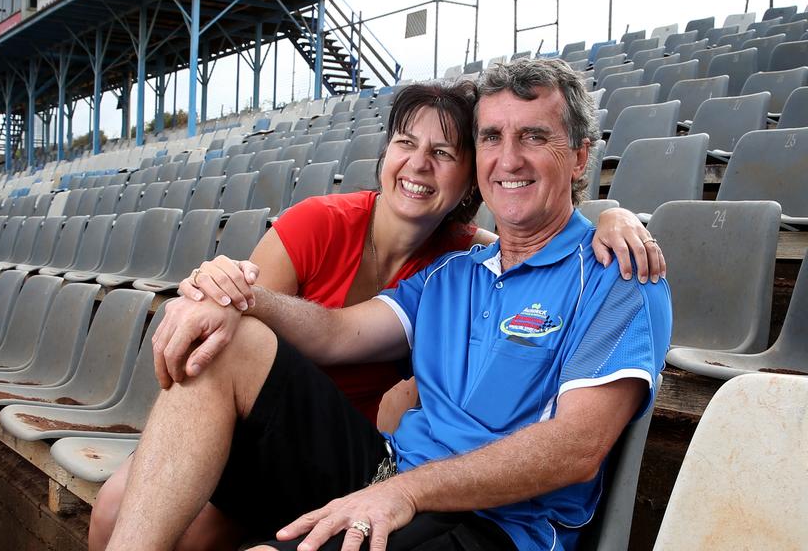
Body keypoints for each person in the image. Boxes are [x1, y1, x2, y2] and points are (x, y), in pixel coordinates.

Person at [93, 62, 671, 551]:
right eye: (492, 138)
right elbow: (334, 333)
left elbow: (575, 450)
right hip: (391, 474)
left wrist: (408, 491)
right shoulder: (453, 273)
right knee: (229, 338)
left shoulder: (618, 276)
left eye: (534, 137)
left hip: (491, 524)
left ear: (579, 158)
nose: (508, 159)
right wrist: (230, 292)